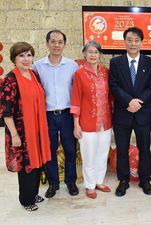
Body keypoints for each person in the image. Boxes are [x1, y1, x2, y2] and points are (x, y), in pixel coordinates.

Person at [1, 42, 51, 211]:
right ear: (14, 58)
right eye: (21, 55)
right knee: (27, 166)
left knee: (37, 163)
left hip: (37, 128)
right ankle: (26, 200)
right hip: (22, 132)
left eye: (29, 55)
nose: (26, 59)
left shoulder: (34, 74)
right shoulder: (10, 80)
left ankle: (34, 192)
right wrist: (14, 135)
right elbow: (6, 112)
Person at [109, 27, 151, 197]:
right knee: (122, 148)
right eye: (129, 40)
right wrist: (129, 101)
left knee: (144, 148)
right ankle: (123, 180)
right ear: (124, 42)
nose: (133, 43)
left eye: (136, 40)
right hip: (123, 113)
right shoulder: (115, 62)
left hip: (143, 113)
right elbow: (113, 85)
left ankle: (145, 180)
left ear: (142, 42)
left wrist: (138, 102)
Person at [33, 30, 79, 198]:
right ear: (47, 43)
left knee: (70, 150)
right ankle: (53, 184)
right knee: (49, 150)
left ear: (64, 45)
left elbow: (77, 91)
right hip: (47, 115)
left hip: (67, 114)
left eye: (60, 42)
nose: (56, 45)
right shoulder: (37, 66)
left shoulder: (72, 65)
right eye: (53, 41)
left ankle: (71, 182)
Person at [71, 41, 112, 199]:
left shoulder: (106, 72)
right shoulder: (79, 74)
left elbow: (111, 96)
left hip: (106, 122)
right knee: (88, 155)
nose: (93, 55)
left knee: (102, 153)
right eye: (90, 52)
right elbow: (76, 99)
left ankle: (99, 181)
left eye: (96, 52)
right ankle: (89, 185)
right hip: (87, 123)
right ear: (84, 55)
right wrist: (76, 124)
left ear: (100, 55)